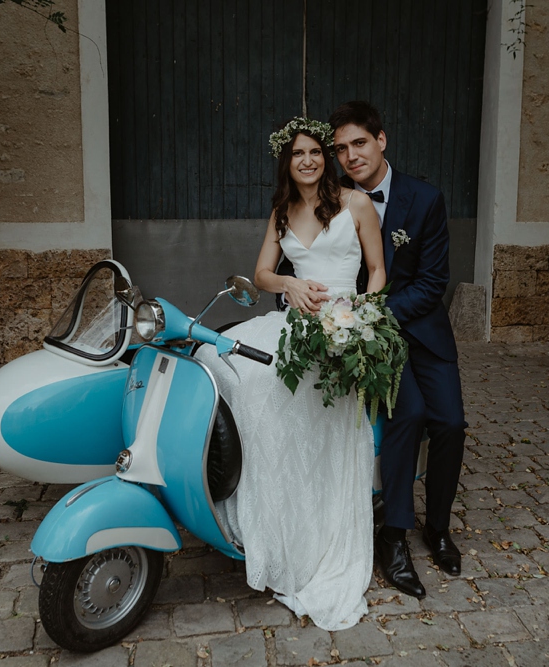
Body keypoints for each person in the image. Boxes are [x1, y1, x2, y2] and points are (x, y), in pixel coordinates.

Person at [194, 117, 385, 630]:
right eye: (297, 154)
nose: (307, 160)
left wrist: (359, 316)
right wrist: (290, 285)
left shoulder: (356, 203)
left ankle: (315, 533)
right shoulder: (282, 210)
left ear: (326, 157)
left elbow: (377, 271)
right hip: (295, 321)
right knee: (225, 366)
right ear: (287, 161)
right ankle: (263, 512)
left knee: (300, 404)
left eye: (315, 152)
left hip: (342, 325)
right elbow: (261, 275)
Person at [329, 101, 467, 599]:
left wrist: (376, 313)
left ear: (381, 140)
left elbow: (433, 282)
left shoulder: (425, 199)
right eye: (341, 148)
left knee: (450, 422)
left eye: (359, 143)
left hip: (421, 328)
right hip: (368, 340)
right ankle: (393, 536)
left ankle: (439, 527)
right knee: (407, 416)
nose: (350, 155)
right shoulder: (332, 199)